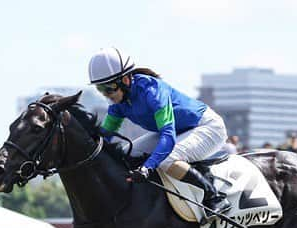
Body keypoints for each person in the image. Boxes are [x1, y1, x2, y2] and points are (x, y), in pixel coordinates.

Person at [89, 47, 230, 216]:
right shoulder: (118, 104)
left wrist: (147, 167)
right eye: (100, 89)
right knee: (126, 154)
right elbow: (104, 136)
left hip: (206, 126)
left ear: (125, 80)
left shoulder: (153, 92)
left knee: (166, 160)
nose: (106, 94)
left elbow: (168, 138)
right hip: (179, 131)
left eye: (109, 88)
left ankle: (214, 196)